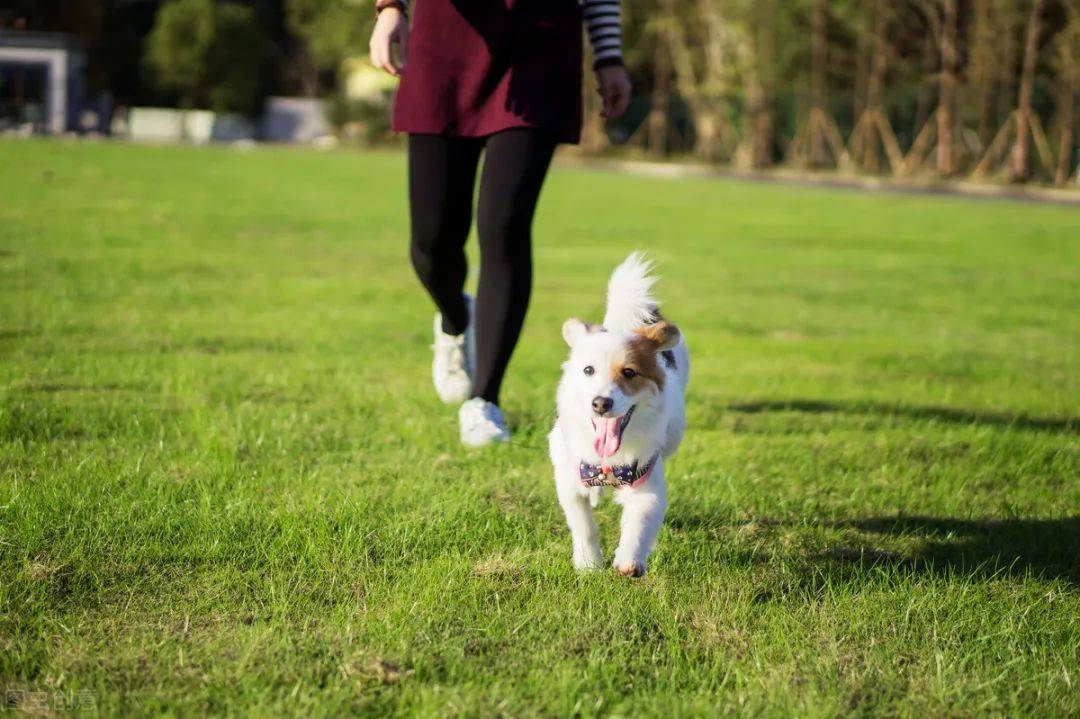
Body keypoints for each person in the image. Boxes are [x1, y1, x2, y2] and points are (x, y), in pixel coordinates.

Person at [370, 0, 631, 447]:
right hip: (443, 44)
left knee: (505, 223)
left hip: (539, 48)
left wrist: (608, 57)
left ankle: (484, 400)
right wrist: (390, 8)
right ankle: (456, 320)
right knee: (431, 241)